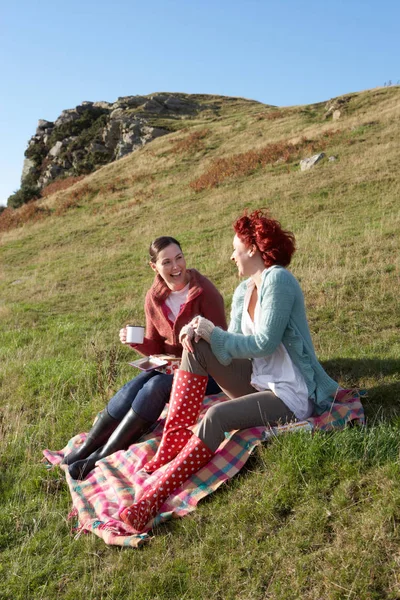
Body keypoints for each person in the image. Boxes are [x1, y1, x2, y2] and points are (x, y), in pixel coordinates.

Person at [119, 209, 341, 533]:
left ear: (252, 247)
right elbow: (230, 344)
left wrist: (213, 332)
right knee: (196, 347)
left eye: (235, 247)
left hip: (289, 393)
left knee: (216, 416)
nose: (231, 254)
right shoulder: (242, 291)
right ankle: (174, 441)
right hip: (255, 382)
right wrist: (199, 334)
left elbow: (264, 342)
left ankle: (153, 498)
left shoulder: (278, 280)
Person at [64, 236, 227, 480]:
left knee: (155, 386)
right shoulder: (154, 297)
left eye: (179, 258)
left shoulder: (204, 292)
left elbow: (221, 343)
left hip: (208, 372)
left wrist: (191, 350)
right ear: (154, 267)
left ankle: (100, 457)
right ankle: (87, 447)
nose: (176, 267)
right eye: (167, 262)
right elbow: (155, 347)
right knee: (135, 386)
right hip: (172, 368)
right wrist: (136, 343)